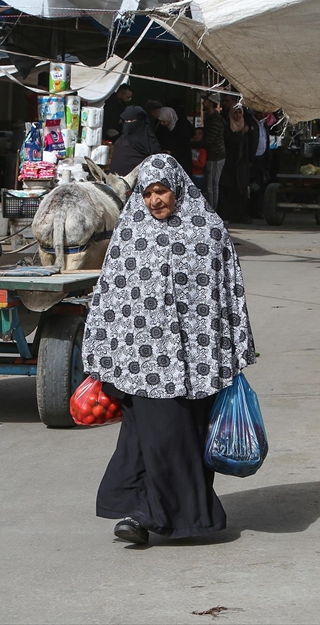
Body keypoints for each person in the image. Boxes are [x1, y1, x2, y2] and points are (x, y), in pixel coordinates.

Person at [84, 153, 256, 546]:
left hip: (197, 363)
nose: (154, 200)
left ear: (177, 187)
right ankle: (145, 514)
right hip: (140, 361)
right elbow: (110, 296)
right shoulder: (130, 232)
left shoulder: (208, 231)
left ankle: (156, 515)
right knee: (156, 437)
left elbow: (228, 294)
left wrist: (235, 349)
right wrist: (100, 352)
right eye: (147, 193)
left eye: (161, 191)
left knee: (183, 439)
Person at [110, 106, 161, 177]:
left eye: (132, 121)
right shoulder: (119, 145)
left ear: (142, 122)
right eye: (126, 121)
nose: (129, 124)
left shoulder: (151, 145)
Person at [201, 94, 226, 209]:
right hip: (212, 155)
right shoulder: (209, 117)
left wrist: (192, 142)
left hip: (215, 156)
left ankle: (212, 210)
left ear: (211, 103)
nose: (203, 102)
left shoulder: (215, 120)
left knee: (212, 186)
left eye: (205, 101)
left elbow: (208, 140)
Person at [156, 106, 194, 177]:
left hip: (182, 163)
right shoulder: (164, 129)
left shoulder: (182, 128)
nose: (162, 123)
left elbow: (184, 147)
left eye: (164, 121)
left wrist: (173, 152)